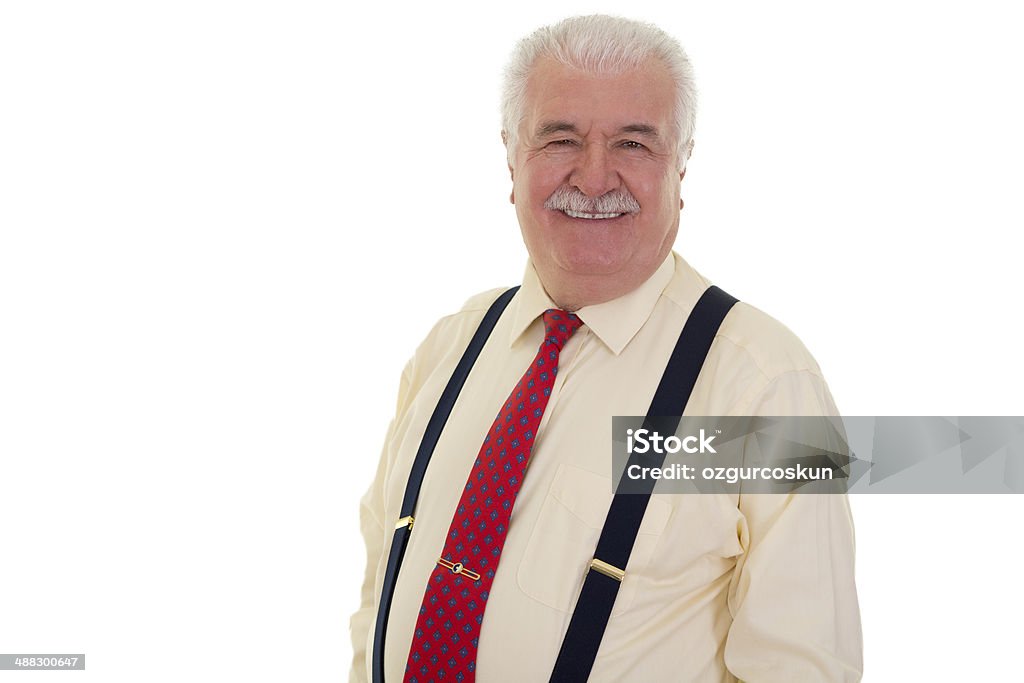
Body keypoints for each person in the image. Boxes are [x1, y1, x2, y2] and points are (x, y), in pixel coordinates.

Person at [349, 14, 862, 683]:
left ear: (682, 165)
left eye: (634, 144)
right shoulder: (449, 348)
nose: (594, 178)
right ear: (511, 158)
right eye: (560, 138)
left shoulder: (770, 384)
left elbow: (804, 668)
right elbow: (376, 597)